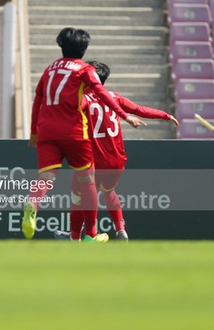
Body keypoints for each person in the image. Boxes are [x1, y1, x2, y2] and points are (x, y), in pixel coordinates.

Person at [26, 27, 144, 242]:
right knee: (87, 179)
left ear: (61, 45)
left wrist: (34, 131)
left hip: (46, 130)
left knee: (46, 177)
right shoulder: (84, 69)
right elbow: (101, 93)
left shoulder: (49, 69)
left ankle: (33, 204)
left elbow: (37, 100)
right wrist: (124, 116)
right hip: (72, 131)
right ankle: (90, 235)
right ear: (84, 48)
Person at [54, 61, 179, 241]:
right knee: (108, 190)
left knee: (78, 196)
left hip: (94, 162)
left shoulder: (84, 99)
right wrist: (166, 115)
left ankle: (75, 237)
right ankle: (121, 229)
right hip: (117, 162)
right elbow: (139, 110)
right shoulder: (114, 96)